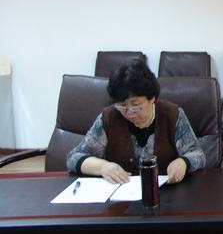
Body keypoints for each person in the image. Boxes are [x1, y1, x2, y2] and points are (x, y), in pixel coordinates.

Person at [66, 59, 206, 184]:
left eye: (136, 105)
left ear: (152, 98)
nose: (129, 112)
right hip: (121, 197)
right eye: (122, 106)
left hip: (166, 193)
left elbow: (197, 154)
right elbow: (74, 158)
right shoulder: (109, 117)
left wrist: (183, 162)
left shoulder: (172, 115)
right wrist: (102, 167)